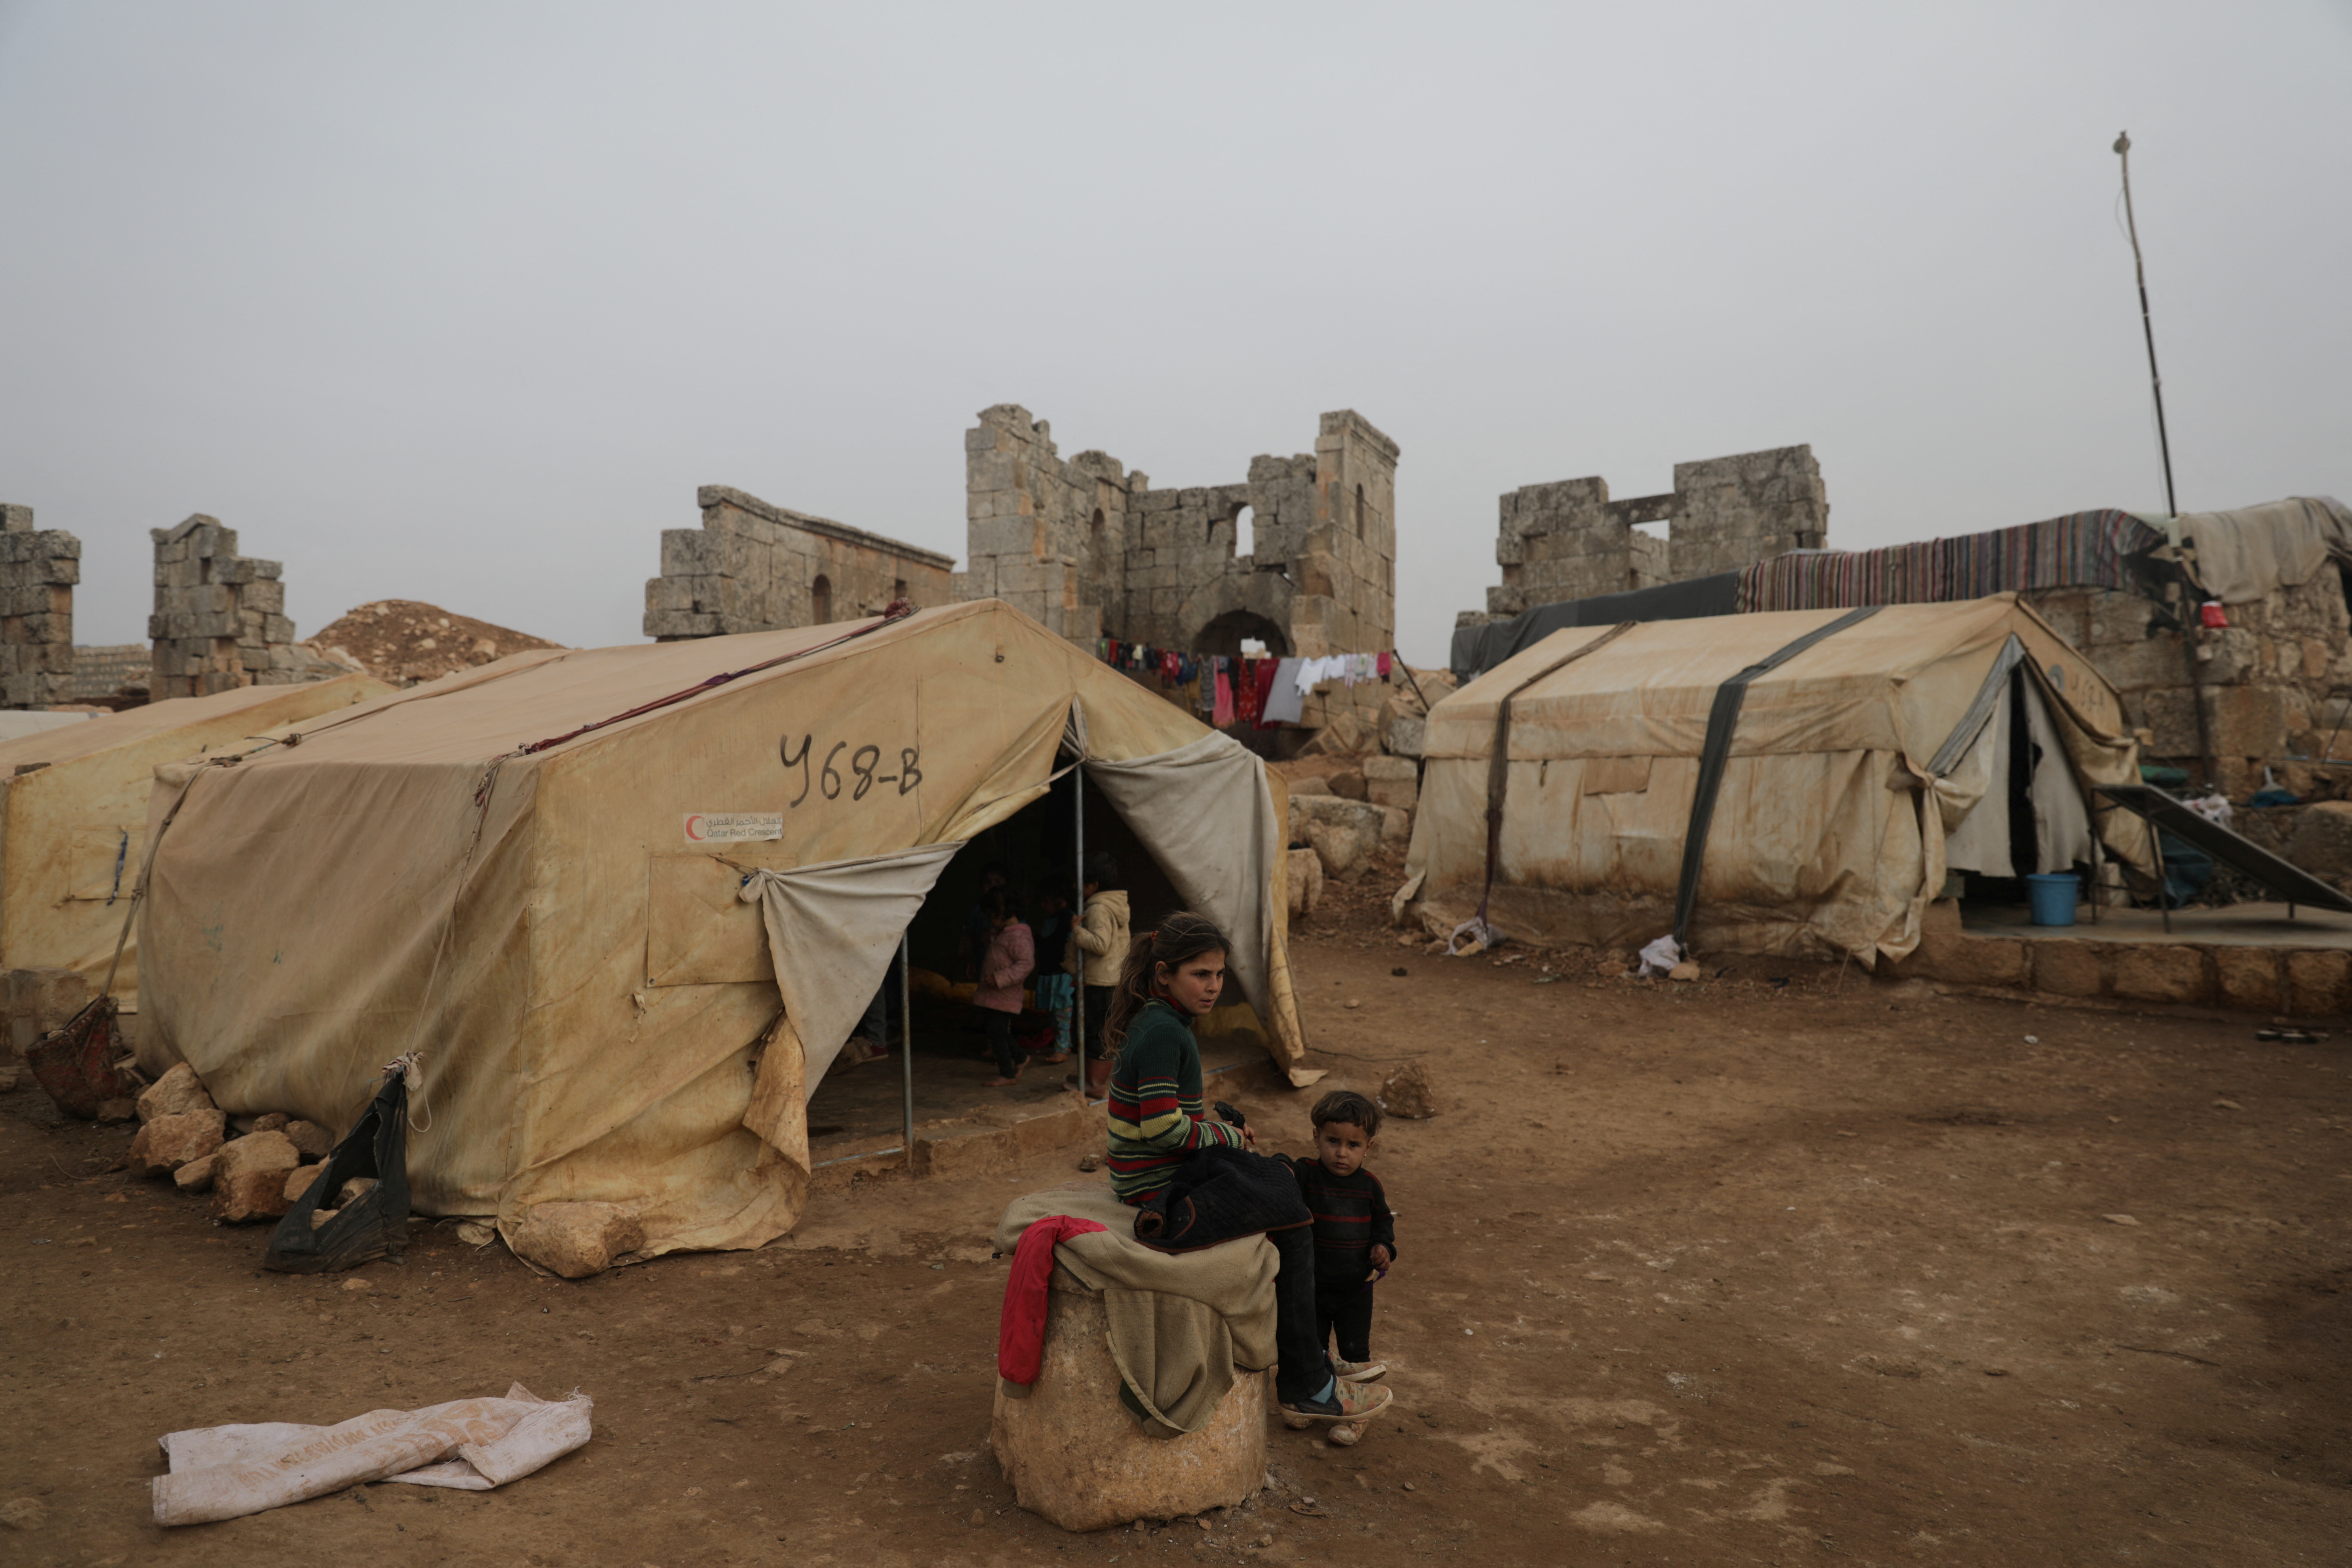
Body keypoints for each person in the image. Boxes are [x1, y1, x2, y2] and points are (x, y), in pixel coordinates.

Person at [1102, 910, 1390, 1429]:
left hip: (1161, 1171)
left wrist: (1217, 1133)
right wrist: (1227, 1136)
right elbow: (1162, 1130)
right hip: (1157, 1184)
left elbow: (1170, 1122)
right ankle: (1307, 1384)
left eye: (1219, 974)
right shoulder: (1165, 1032)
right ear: (1164, 974)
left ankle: (1314, 1358)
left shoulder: (1160, 1021)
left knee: (1278, 1175)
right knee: (1292, 1217)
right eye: (1201, 974)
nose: (1214, 986)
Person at [1283, 1090, 1395, 1384]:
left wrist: (1383, 1246)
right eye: (1333, 1141)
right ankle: (1314, 1395)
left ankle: (1357, 1404)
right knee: (1312, 1348)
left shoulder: (1370, 1187)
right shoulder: (1306, 1174)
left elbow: (1383, 1223)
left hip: (1356, 1291)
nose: (1342, 1153)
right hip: (1311, 1287)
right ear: (1316, 1136)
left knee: (1355, 1353)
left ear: (1369, 1146)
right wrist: (1281, 1165)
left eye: (1353, 1145)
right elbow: (1281, 1170)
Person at [1071, 851, 1129, 1094]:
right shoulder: (1115, 906)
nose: (1076, 888)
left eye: (1081, 883)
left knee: (1098, 1034)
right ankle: (1091, 1078)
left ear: (1094, 885)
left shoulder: (1098, 909)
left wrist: (1077, 931)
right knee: (1101, 1032)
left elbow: (1100, 944)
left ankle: (1095, 1084)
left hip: (1102, 982)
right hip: (1112, 980)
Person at [1032, 883, 1077, 1063]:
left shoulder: (1068, 918)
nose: (1043, 905)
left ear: (1060, 900)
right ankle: (1063, 1045)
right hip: (1050, 974)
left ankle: (1062, 1048)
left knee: (1062, 1013)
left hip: (1062, 975)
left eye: (1046, 901)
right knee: (1053, 1013)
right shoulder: (1051, 920)